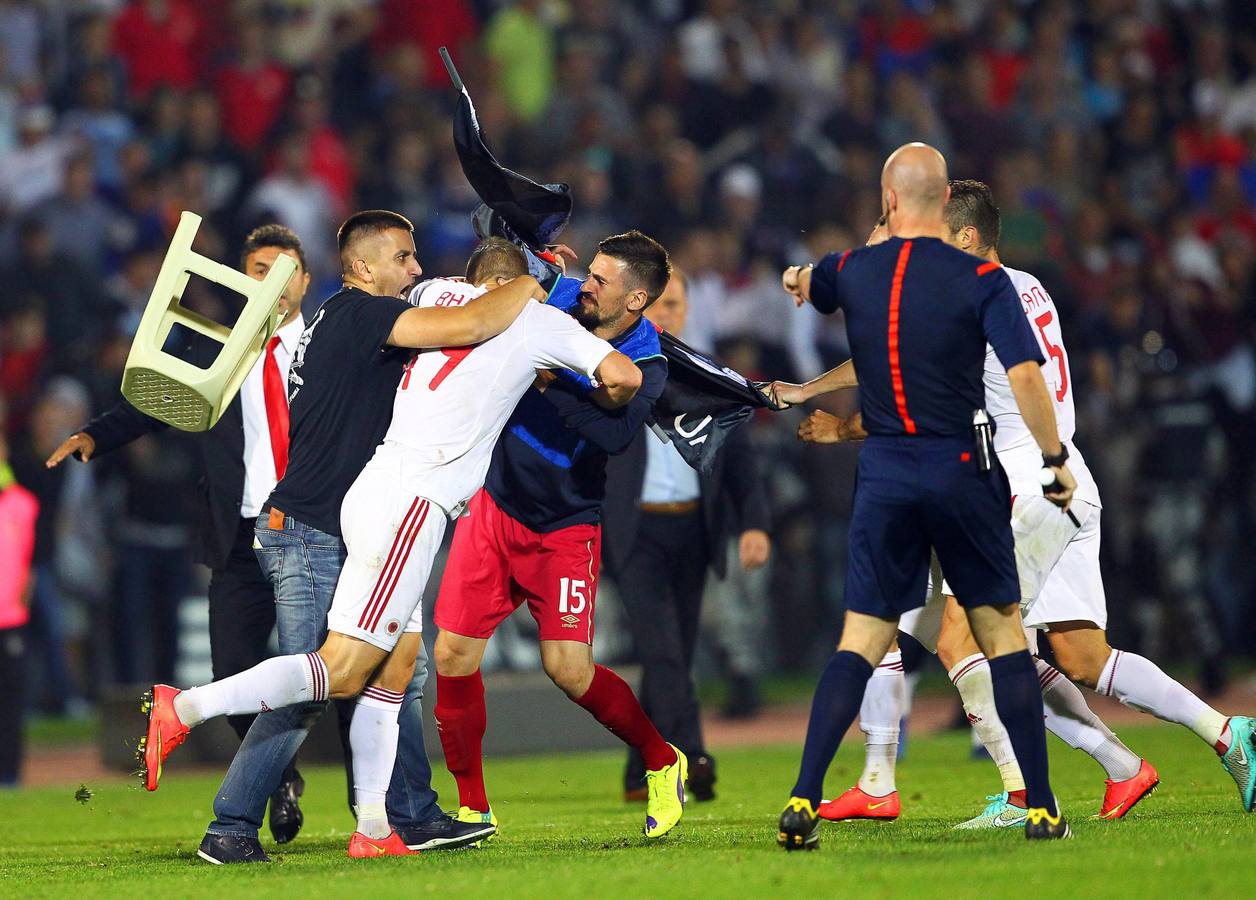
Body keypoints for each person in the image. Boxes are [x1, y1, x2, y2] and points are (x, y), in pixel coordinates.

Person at [135, 214, 637, 860]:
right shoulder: (382, 314)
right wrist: (542, 285)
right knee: (331, 675)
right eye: (402, 258)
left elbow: (460, 315)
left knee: (399, 667)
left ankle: (379, 826)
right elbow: (570, 356)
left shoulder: (415, 300)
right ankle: (193, 726)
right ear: (364, 267)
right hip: (376, 508)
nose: (415, 272)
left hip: (353, 504)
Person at [791, 181, 1256, 823]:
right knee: (1082, 656)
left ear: (967, 238)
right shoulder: (1022, 284)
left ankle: (1019, 795)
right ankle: (1223, 737)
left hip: (1024, 482)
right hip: (1065, 477)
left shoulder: (970, 292)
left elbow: (901, 376)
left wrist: (829, 418)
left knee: (961, 636)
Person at [773, 143, 1077, 850]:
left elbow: (809, 282)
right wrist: (1054, 457)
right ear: (945, 201)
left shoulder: (851, 270)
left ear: (886, 200)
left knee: (861, 639)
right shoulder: (979, 277)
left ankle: (802, 796)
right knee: (1001, 634)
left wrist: (795, 275)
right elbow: (1026, 375)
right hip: (960, 465)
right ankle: (1040, 807)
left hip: (884, 472)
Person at [47, 224, 323, 843]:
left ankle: (381, 808)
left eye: (283, 270)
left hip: (315, 536)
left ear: (304, 281)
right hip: (239, 537)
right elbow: (155, 402)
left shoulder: (330, 347)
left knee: (336, 672)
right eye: (257, 269)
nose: (271, 283)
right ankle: (280, 778)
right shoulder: (217, 352)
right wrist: (97, 434)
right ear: (242, 280)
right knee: (232, 670)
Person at [430, 231, 689, 841]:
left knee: (568, 670)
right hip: (497, 504)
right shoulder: (562, 296)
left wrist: (554, 381)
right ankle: (473, 807)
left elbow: (616, 436)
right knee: (452, 654)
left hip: (567, 525)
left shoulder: (648, 362)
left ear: (637, 299)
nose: (587, 285)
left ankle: (661, 758)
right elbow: (501, 254)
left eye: (603, 280)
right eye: (589, 273)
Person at [602, 268, 771, 803]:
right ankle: (693, 754)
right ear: (639, 307)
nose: (667, 313)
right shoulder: (614, 369)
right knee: (665, 649)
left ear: (687, 309)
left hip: (694, 530)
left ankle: (637, 768)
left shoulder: (705, 375)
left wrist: (754, 522)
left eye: (675, 304)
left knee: (671, 650)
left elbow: (740, 456)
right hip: (636, 530)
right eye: (658, 304)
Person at [0, 422, 39, 786]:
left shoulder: (23, 504)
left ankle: (10, 775)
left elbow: (34, 558)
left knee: (10, 704)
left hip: (10, 618)